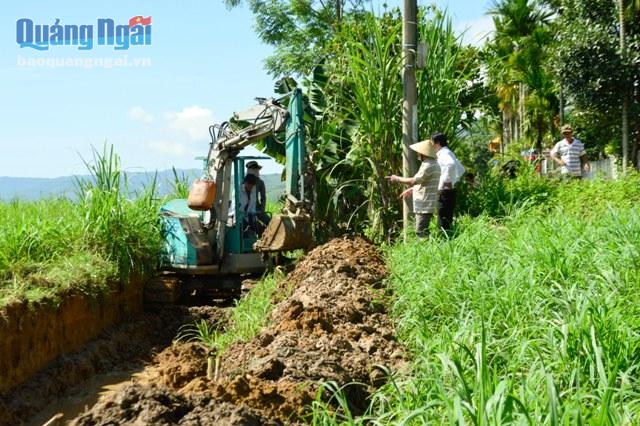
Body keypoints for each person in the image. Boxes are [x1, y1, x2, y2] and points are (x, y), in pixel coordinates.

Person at [386, 139, 440, 237]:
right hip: (426, 203)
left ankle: (424, 251)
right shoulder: (433, 164)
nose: (417, 155)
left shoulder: (428, 165)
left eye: (419, 153)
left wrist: (397, 178)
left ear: (424, 153)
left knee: (421, 232)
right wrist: (412, 189)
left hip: (424, 204)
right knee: (422, 230)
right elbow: (425, 183)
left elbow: (413, 181)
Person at [432, 132, 465, 234]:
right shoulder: (448, 152)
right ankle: (448, 238)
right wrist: (453, 181)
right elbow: (461, 169)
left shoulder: (444, 153)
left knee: (443, 218)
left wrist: (446, 182)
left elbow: (450, 165)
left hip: (444, 191)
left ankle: (444, 241)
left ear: (437, 143)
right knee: (446, 217)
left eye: (431, 142)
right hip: (448, 190)